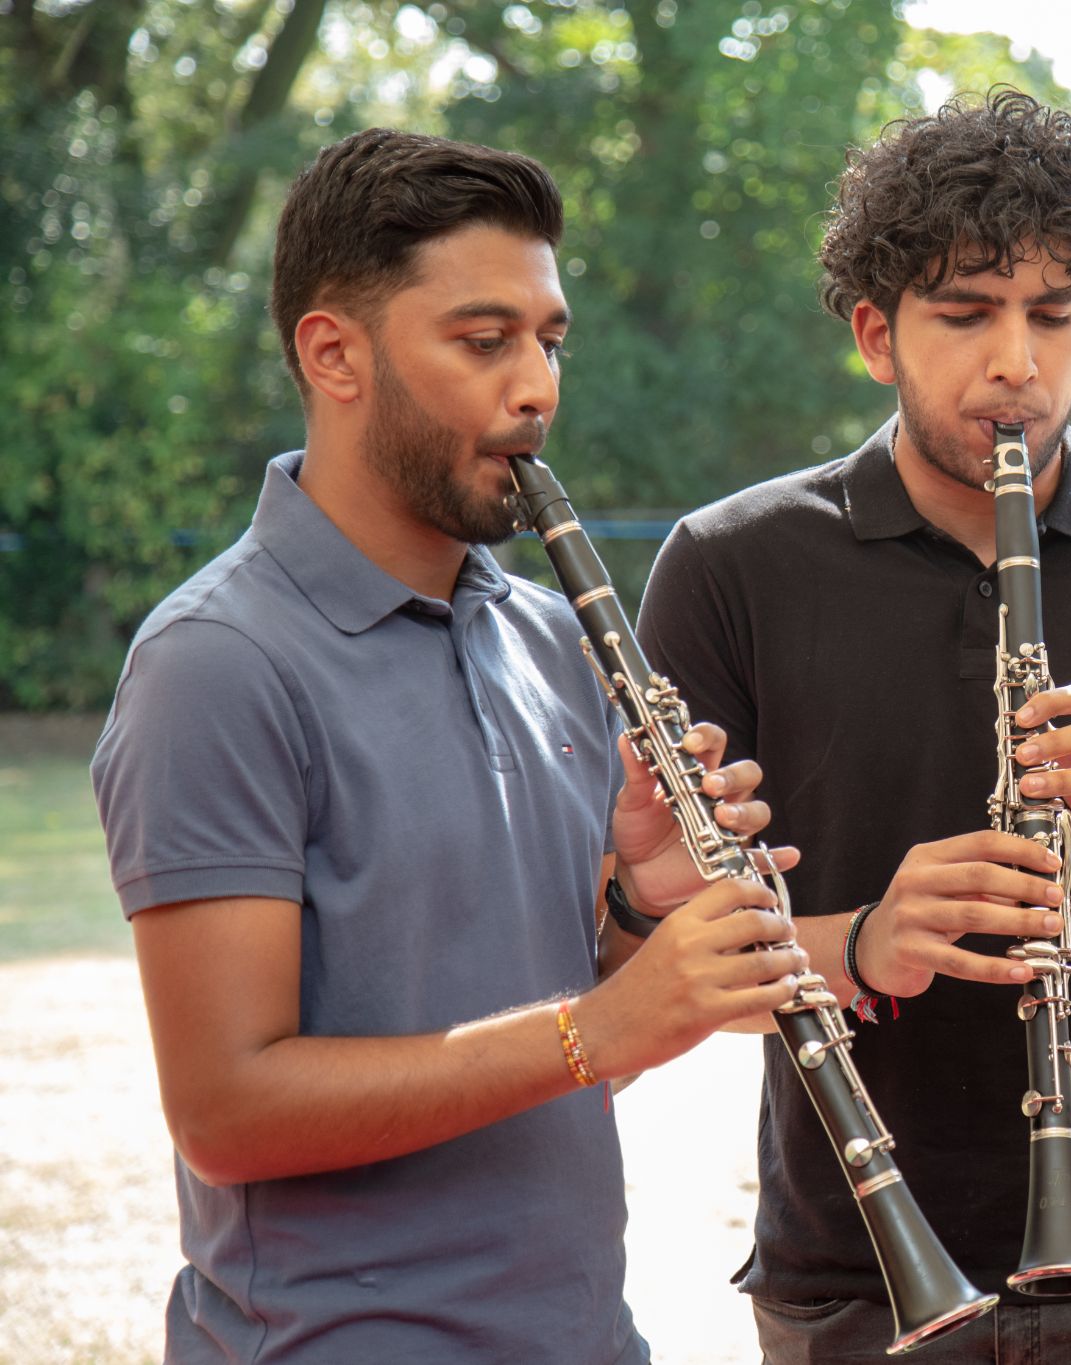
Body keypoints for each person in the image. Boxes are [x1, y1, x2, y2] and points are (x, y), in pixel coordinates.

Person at [634, 89, 1071, 1361]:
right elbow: (665, 967)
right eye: (962, 314)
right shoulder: (729, 565)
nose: (1013, 360)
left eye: (1052, 316)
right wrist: (862, 941)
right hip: (855, 1264)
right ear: (874, 332)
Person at [90, 128, 807, 1363]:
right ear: (335, 354)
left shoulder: (545, 638)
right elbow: (226, 1110)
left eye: (549, 339)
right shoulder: (215, 664)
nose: (536, 386)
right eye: (484, 342)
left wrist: (642, 908)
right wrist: (604, 1028)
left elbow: (552, 1056)